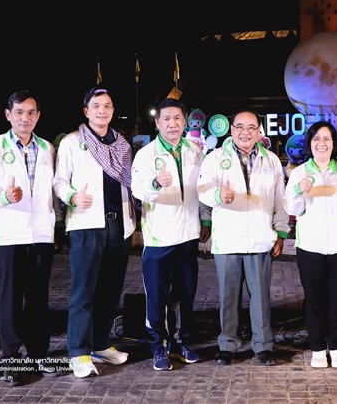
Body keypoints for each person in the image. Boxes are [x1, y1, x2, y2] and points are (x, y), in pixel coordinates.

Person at [0, 90, 64, 383]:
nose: (25, 118)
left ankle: (38, 354)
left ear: (38, 116)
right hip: (8, 234)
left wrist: (56, 225)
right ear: (8, 115)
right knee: (10, 300)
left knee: (38, 299)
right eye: (19, 112)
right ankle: (11, 360)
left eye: (31, 112)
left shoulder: (47, 148)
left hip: (40, 234)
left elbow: (52, 193)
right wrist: (4, 196)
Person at [53, 86, 134, 378]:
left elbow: (130, 182)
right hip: (87, 224)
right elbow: (59, 182)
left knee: (110, 290)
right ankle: (78, 352)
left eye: (107, 106)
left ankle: (100, 344)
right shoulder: (72, 142)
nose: (102, 111)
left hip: (119, 225)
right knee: (84, 292)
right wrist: (72, 196)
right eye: (96, 106)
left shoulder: (122, 144)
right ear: (86, 111)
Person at [197, 110, 289, 366]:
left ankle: (263, 345)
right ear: (231, 130)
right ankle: (227, 344)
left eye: (251, 127)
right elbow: (202, 190)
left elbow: (280, 200)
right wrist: (218, 195)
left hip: (260, 238)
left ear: (259, 131)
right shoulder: (215, 158)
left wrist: (281, 232)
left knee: (261, 297)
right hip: (228, 239)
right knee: (228, 297)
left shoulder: (271, 160)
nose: (245, 132)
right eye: (239, 127)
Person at [130, 98, 211, 371]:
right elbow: (138, 190)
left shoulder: (195, 151)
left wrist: (205, 220)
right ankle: (158, 345)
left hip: (188, 236)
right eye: (166, 119)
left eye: (177, 118)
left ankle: (183, 342)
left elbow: (203, 190)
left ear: (185, 121)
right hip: (159, 238)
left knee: (186, 294)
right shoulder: (146, 154)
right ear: (158, 123)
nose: (172, 124)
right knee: (158, 297)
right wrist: (155, 182)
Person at [284, 121, 337, 368]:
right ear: (310, 143)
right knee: (314, 299)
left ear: (333, 144)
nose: (321, 143)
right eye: (316, 139)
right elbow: (291, 208)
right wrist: (300, 189)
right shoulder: (300, 173)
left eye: (326, 139)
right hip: (310, 246)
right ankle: (318, 347)